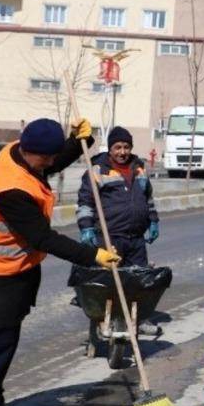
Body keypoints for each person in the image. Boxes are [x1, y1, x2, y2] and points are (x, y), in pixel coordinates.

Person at [0, 118, 120, 406]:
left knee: (3, 347)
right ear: (32, 152)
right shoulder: (12, 190)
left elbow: (52, 161)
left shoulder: (18, 153)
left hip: (11, 274)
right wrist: (94, 256)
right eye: (47, 158)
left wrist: (79, 143)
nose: (51, 163)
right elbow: (42, 237)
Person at [76, 126, 161, 334]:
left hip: (135, 238)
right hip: (109, 236)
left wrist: (153, 220)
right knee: (107, 283)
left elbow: (147, 198)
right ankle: (102, 318)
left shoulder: (139, 168)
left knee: (139, 280)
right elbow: (85, 202)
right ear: (110, 148)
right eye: (118, 147)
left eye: (126, 147)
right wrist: (86, 227)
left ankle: (139, 318)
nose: (122, 152)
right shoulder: (97, 169)